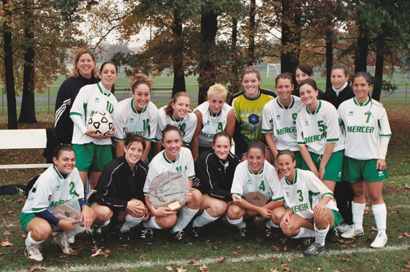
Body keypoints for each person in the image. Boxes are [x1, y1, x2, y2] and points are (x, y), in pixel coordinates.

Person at [338, 72, 391, 248]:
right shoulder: (344, 107)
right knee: (358, 193)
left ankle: (382, 233)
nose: (359, 88)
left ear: (369, 86)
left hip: (372, 159)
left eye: (363, 85)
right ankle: (358, 227)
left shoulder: (377, 108)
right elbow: (339, 132)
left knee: (375, 195)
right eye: (356, 85)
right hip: (352, 158)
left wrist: (381, 156)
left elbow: (385, 133)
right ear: (352, 86)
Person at [19, 145, 94, 261]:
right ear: (55, 160)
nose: (69, 163)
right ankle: (31, 245)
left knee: (89, 214)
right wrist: (60, 223)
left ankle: (61, 236)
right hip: (33, 214)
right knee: (43, 230)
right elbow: (38, 209)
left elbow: (78, 197)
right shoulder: (48, 178)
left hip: (56, 209)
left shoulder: (74, 172)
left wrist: (85, 207)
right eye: (65, 159)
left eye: (72, 159)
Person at [271, 150, 342, 256]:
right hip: (307, 216)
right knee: (287, 228)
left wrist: (322, 204)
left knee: (319, 212)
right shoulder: (282, 184)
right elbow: (294, 204)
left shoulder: (306, 175)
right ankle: (318, 233)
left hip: (325, 213)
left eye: (287, 163)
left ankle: (319, 244)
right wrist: (287, 214)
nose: (284, 167)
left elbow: (328, 193)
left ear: (294, 163)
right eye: (281, 164)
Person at [142, 125, 202, 244]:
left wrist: (187, 192)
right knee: (170, 219)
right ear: (163, 144)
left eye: (176, 141)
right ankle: (146, 224)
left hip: (178, 197)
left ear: (181, 140)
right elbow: (146, 193)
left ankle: (178, 229)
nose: (173, 145)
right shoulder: (156, 164)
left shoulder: (186, 153)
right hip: (162, 200)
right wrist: (154, 211)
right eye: (169, 142)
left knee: (197, 195)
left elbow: (189, 177)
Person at [88, 133, 149, 247]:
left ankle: (123, 230)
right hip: (101, 203)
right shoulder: (113, 167)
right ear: (125, 148)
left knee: (140, 207)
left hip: (121, 205)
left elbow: (143, 193)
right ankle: (95, 230)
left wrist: (145, 206)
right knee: (104, 213)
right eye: (132, 149)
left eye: (139, 150)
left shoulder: (143, 169)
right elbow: (101, 196)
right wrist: (125, 205)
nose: (135, 153)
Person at [69, 61, 118, 189]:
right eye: (106, 71)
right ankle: (77, 208)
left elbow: (112, 124)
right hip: (83, 142)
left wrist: (112, 132)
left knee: (97, 186)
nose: (109, 75)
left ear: (116, 76)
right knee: (78, 185)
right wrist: (85, 130)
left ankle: (92, 208)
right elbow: (74, 113)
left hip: (103, 144)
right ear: (100, 75)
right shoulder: (87, 90)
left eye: (112, 72)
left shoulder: (113, 100)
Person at [226, 141, 284, 241]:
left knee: (279, 215)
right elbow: (236, 198)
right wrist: (258, 210)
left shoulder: (270, 170)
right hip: (247, 205)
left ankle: (269, 227)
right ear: (246, 156)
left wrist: (260, 210)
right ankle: (243, 227)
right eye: (251, 157)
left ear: (264, 157)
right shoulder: (240, 168)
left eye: (258, 157)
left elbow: (279, 200)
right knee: (232, 212)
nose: (254, 161)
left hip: (267, 205)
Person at [296, 78, 344, 193]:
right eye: (302, 93)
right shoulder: (301, 116)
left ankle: (332, 211)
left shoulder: (328, 109)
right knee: (310, 193)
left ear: (316, 92)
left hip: (332, 152)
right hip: (312, 154)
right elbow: (302, 145)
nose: (306, 95)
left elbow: (331, 141)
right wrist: (313, 168)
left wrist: (322, 166)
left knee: (326, 193)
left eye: (309, 92)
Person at [323, 63, 355, 233]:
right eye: (333, 76)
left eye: (339, 76)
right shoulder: (327, 95)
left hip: (350, 145)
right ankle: (341, 216)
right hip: (333, 146)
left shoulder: (351, 95)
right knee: (338, 184)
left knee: (350, 184)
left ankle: (351, 217)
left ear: (347, 77)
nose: (336, 80)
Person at [191, 132, 240, 241]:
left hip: (216, 194)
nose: (222, 150)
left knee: (232, 200)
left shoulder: (234, 160)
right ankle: (195, 226)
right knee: (220, 206)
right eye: (218, 146)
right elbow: (212, 190)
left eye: (225, 146)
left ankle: (215, 221)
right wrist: (230, 196)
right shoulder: (207, 159)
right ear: (213, 146)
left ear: (230, 147)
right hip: (199, 196)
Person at [230, 66, 277, 162]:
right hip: (244, 143)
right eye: (246, 81)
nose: (250, 84)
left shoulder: (270, 97)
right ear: (242, 82)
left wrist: (268, 148)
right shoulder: (236, 100)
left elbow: (275, 125)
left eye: (253, 81)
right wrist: (244, 151)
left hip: (266, 142)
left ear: (259, 81)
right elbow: (235, 130)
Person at [55, 49, 100, 145]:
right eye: (82, 61)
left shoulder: (100, 84)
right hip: (75, 140)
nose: (86, 63)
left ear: (94, 63)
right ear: (77, 64)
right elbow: (60, 114)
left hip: (97, 139)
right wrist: (64, 140)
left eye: (89, 60)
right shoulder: (68, 85)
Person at [262, 73, 305, 171]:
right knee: (282, 183)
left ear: (292, 87)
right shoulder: (269, 107)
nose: (284, 90)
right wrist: (277, 157)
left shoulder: (301, 104)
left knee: (299, 183)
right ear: (276, 88)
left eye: (287, 86)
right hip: (280, 149)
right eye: (280, 87)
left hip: (299, 150)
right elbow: (268, 135)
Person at [113, 73, 158, 163]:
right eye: (139, 94)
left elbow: (147, 140)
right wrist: (122, 165)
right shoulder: (121, 109)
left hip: (140, 149)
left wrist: (141, 163)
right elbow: (119, 141)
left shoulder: (153, 110)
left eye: (146, 94)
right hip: (123, 147)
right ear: (133, 94)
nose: (143, 98)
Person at [191, 84, 236, 160]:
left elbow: (227, 138)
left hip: (218, 147)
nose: (217, 105)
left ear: (225, 101)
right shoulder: (199, 113)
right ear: (208, 99)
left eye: (220, 102)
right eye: (214, 101)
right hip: (201, 145)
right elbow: (194, 137)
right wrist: (196, 159)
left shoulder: (229, 113)